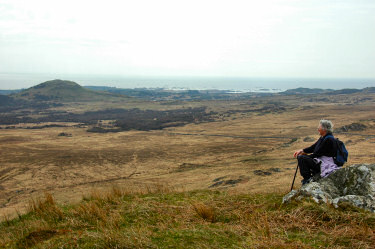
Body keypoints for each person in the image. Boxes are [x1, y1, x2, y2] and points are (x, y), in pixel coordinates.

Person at [293, 120, 339, 185]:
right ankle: (308, 178)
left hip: (325, 164)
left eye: (319, 127)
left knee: (301, 158)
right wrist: (302, 150)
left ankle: (307, 179)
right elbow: (313, 147)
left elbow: (317, 154)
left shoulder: (329, 140)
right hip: (321, 162)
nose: (318, 129)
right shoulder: (323, 137)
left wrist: (304, 157)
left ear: (324, 129)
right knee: (302, 157)